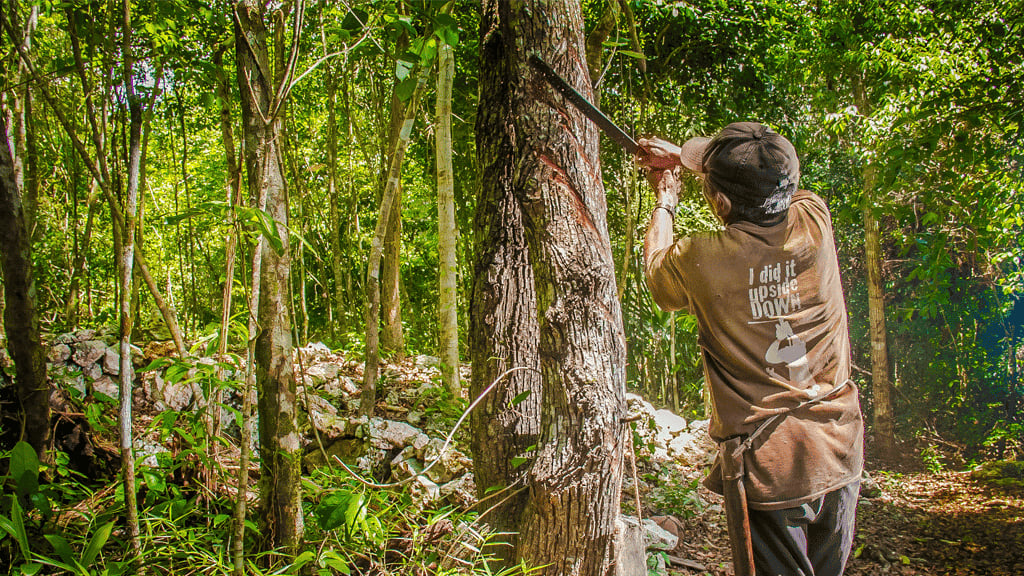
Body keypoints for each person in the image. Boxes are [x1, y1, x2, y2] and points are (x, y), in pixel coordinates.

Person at [638, 122, 864, 576]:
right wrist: (687, 156)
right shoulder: (814, 222)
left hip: (769, 465)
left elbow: (658, 276)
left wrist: (666, 197)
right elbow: (769, 172)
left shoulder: (699, 259)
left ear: (718, 201)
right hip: (840, 448)